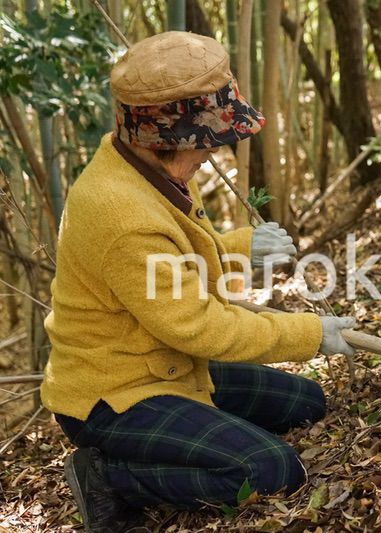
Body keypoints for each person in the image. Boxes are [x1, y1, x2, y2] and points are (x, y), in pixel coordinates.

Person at [40, 31, 355, 533]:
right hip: (116, 394)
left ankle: (197, 438)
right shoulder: (120, 214)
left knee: (305, 403)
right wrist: (306, 334)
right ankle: (109, 477)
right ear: (166, 140)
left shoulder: (149, 171)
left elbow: (174, 265)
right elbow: (199, 326)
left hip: (170, 364)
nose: (211, 155)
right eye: (205, 143)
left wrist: (238, 248)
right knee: (271, 469)